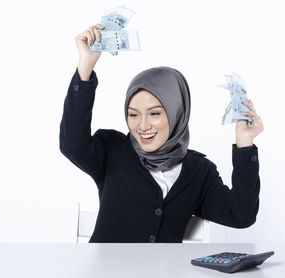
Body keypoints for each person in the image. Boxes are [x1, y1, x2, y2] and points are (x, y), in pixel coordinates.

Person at [59, 23, 264, 243]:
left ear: (177, 113)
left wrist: (245, 143)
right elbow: (72, 145)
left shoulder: (199, 171)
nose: (142, 126)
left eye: (154, 114)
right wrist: (85, 67)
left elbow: (241, 215)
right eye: (133, 114)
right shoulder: (112, 151)